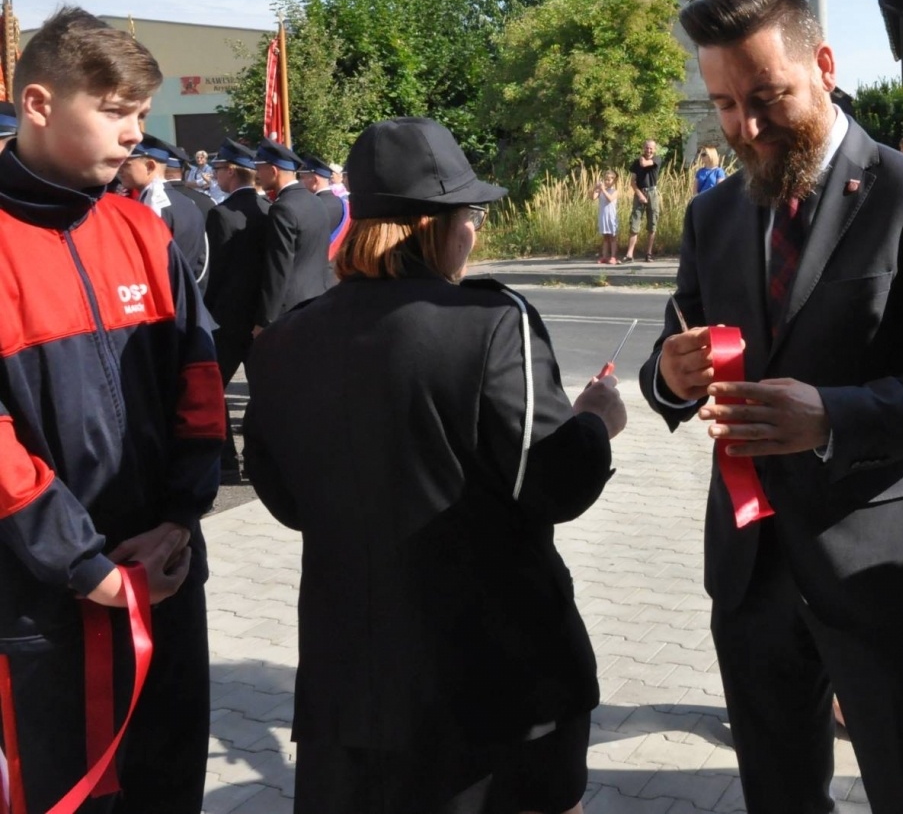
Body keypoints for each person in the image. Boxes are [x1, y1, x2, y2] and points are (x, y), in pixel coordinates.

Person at [640, 0, 903, 814]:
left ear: (825, 65)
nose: (747, 127)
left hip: (878, 573)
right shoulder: (713, 216)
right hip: (752, 573)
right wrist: (669, 375)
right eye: (725, 106)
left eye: (767, 98)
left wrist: (831, 416)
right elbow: (676, 342)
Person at [244, 116, 627, 814]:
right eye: (468, 216)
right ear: (432, 224)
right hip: (495, 684)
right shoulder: (491, 322)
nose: (473, 232)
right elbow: (555, 484)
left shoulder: (284, 340)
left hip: (351, 688)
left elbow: (285, 498)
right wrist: (597, 421)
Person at [0, 6, 224, 811]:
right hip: (42, 595)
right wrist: (84, 565)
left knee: (170, 786)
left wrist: (180, 517)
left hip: (164, 573)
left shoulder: (142, 230)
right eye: (115, 111)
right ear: (38, 103)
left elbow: (200, 380)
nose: (136, 133)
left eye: (142, 112)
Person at [205, 138, 271, 478]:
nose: (216, 175)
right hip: (261, 316)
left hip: (228, 319)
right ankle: (264, 457)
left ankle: (227, 461)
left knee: (213, 389)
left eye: (218, 169)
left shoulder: (221, 214)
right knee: (264, 391)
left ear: (231, 172)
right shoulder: (269, 209)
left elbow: (215, 272)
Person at [254, 138, 332, 331]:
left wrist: (266, 320)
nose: (257, 175)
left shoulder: (282, 208)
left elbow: (278, 269)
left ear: (273, 171)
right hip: (318, 299)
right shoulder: (316, 201)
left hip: (290, 310)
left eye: (260, 169)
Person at [119, 133, 211, 286]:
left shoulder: (154, 205)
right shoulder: (186, 202)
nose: (119, 170)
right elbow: (201, 263)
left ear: (150, 166)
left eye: (126, 165)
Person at [299, 153, 352, 271]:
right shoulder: (343, 203)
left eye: (303, 177)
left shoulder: (312, 207)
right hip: (339, 268)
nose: (301, 182)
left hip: (317, 269)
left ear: (315, 180)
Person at [623, 139, 660, 262]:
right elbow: (632, 182)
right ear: (643, 148)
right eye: (646, 148)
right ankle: (629, 254)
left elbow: (644, 164)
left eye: (651, 148)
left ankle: (648, 253)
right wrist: (639, 194)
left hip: (652, 193)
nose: (648, 150)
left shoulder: (657, 159)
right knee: (635, 222)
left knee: (652, 223)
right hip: (640, 192)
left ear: (654, 149)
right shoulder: (636, 162)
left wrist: (641, 158)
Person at [593, 169, 620, 264]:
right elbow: (593, 197)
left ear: (614, 181)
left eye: (609, 180)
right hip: (603, 216)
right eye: (605, 179)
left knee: (612, 237)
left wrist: (603, 189)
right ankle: (604, 256)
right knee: (605, 238)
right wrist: (595, 188)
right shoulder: (600, 191)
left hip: (611, 217)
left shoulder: (614, 191)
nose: (607, 181)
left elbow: (610, 199)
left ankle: (613, 256)